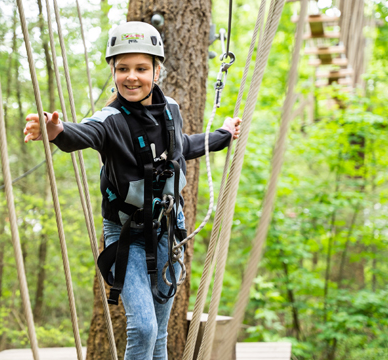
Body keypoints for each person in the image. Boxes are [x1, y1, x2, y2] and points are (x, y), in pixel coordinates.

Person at [23, 21, 240, 360]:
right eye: (122, 68)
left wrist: (222, 136)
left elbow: (181, 146)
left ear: (157, 71)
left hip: (167, 228)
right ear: (113, 72)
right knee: (144, 328)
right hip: (127, 233)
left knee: (160, 333)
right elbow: (84, 134)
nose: (131, 77)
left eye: (141, 68)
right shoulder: (110, 120)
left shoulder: (171, 112)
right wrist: (56, 131)